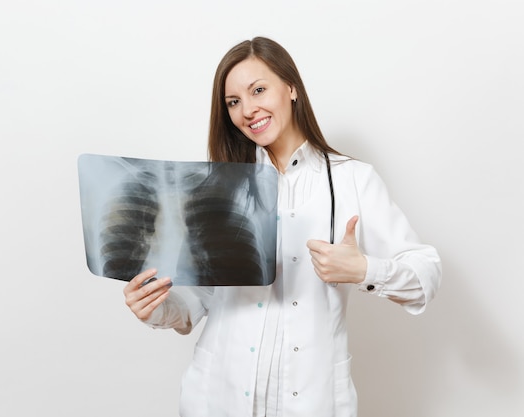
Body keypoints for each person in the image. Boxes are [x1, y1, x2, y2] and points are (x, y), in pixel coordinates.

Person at [122, 36, 441, 417]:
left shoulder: (354, 180)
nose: (248, 110)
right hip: (217, 397)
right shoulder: (218, 185)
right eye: (234, 102)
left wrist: (364, 271)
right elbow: (199, 300)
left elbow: (426, 275)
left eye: (259, 90)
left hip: (310, 400)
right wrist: (157, 307)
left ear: (291, 88)